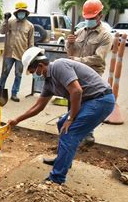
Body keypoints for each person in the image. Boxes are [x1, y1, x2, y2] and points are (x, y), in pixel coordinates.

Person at [7, 47, 115, 184]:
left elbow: (76, 91)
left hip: (100, 100)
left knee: (69, 132)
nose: (34, 74)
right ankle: (63, 160)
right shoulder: (48, 82)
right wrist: (17, 120)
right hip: (89, 101)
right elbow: (38, 107)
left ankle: (57, 179)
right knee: (61, 124)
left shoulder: (59, 65)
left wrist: (71, 119)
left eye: (33, 71)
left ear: (40, 65)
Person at [65, 0, 112, 145]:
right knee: (73, 99)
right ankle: (72, 128)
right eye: (87, 18)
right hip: (75, 73)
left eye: (92, 18)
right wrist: (69, 43)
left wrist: (77, 61)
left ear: (100, 16)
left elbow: (98, 58)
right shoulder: (80, 32)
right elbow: (70, 52)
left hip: (92, 74)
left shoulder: (105, 35)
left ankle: (88, 135)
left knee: (88, 102)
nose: (89, 20)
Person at [0, 1, 34, 103]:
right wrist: (5, 20)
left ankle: (14, 93)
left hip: (21, 54)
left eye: (23, 11)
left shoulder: (30, 26)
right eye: (19, 11)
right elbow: (2, 31)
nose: (21, 13)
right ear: (16, 13)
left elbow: (31, 42)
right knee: (4, 73)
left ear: (26, 13)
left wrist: (30, 56)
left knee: (18, 74)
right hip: (9, 53)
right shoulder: (10, 22)